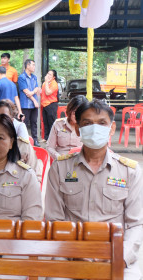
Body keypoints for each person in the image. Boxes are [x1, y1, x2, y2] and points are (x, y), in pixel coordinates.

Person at [45, 99, 143, 279]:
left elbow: (135, 224)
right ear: (77, 129)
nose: (95, 128)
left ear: (112, 129)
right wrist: (76, 253)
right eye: (87, 123)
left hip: (117, 254)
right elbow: (54, 220)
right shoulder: (60, 168)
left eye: (102, 123)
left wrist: (119, 257)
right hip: (70, 254)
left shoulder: (131, 171)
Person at [46, 95, 87, 160]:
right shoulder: (58, 124)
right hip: (61, 160)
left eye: (81, 114)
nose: (77, 117)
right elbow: (49, 147)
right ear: (70, 111)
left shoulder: (88, 127)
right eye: (75, 113)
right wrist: (58, 156)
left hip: (80, 161)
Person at [18, 59, 41, 147]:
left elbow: (36, 88)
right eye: (33, 65)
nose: (34, 67)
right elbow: (25, 91)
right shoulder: (22, 77)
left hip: (34, 105)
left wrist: (31, 92)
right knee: (24, 123)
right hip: (25, 104)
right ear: (28, 66)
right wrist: (34, 100)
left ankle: (35, 140)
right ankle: (23, 140)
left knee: (34, 122)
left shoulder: (34, 77)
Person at [41, 70, 59, 141]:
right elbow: (43, 92)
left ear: (54, 77)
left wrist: (45, 82)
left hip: (51, 105)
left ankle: (53, 139)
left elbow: (48, 92)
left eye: (50, 75)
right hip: (45, 104)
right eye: (48, 73)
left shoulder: (54, 84)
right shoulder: (45, 83)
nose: (48, 75)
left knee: (51, 123)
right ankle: (46, 138)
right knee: (45, 122)